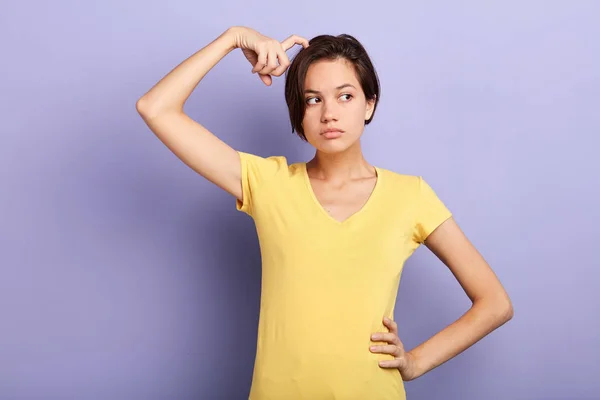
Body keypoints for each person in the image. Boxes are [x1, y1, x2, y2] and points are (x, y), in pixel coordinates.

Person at [136, 26, 514, 400]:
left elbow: (495, 303)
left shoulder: (409, 196)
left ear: (370, 104)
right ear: (298, 113)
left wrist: (415, 362)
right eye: (313, 99)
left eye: (345, 96)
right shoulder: (268, 183)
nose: (329, 113)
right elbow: (155, 108)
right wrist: (232, 38)